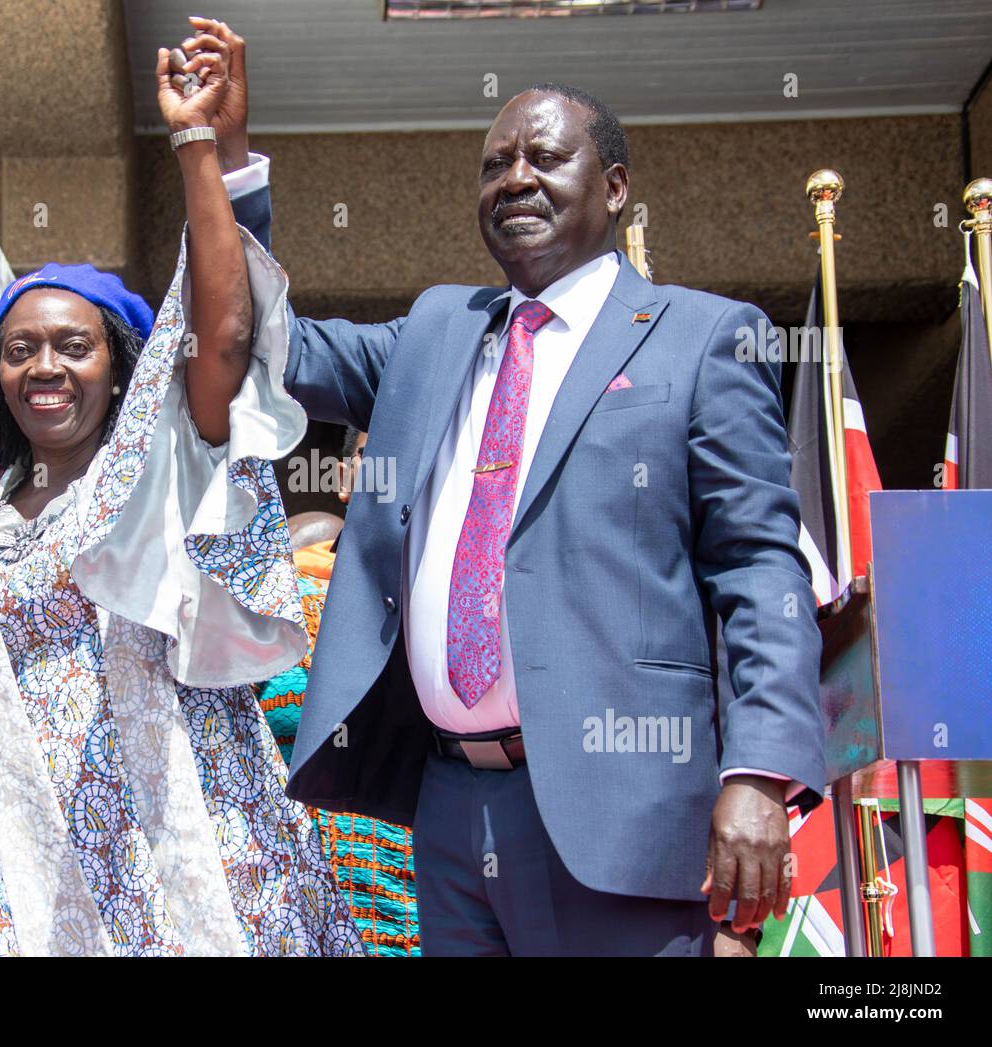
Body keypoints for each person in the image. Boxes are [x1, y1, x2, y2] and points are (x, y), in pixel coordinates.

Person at [200, 22, 826, 956]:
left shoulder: (703, 338)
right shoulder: (435, 331)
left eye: (544, 157)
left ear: (614, 188)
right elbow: (259, 339)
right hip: (449, 809)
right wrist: (225, 161)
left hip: (623, 808)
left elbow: (756, 566)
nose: (515, 180)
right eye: (494, 166)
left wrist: (763, 770)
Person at [0, 36, 362, 957]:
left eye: (73, 347)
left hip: (190, 871)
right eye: (20, 348)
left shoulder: (159, 480)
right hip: (16, 889)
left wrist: (201, 146)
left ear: (121, 373)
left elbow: (223, 330)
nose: (45, 365)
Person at [257, 426, 421, 956]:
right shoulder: (279, 595)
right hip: (287, 910)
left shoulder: (467, 614)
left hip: (429, 913)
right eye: (378, 458)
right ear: (346, 476)